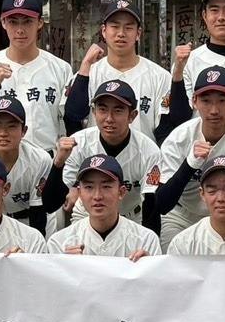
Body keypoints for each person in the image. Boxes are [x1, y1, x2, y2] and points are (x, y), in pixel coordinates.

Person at [154, 66, 225, 247]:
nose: (214, 110)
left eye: (222, 100)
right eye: (206, 101)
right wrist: (189, 164)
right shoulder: (179, 138)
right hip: (183, 216)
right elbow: (162, 204)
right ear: (194, 101)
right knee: (173, 259)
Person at [0, 0, 75, 153]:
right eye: (13, 22)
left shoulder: (60, 68)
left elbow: (71, 120)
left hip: (47, 157)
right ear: (3, 22)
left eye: (27, 21)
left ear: (39, 22)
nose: (20, 30)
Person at [58, 78, 163, 231]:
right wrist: (69, 180)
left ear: (132, 116)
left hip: (132, 215)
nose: (109, 118)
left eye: (118, 110)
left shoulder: (149, 150)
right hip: (87, 215)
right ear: (94, 112)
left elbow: (151, 203)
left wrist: (149, 239)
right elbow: (56, 197)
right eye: (103, 109)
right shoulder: (78, 142)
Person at [64, 0, 173, 142]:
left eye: (128, 27)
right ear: (104, 31)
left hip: (143, 154)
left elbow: (165, 130)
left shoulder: (159, 76)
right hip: (97, 155)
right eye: (115, 26)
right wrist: (85, 67)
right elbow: (72, 117)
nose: (121, 33)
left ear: (138, 33)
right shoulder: (88, 74)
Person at [0, 96, 70, 233]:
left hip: (30, 220)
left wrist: (35, 245)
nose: (3, 133)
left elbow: (38, 213)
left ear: (24, 130)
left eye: (11, 126)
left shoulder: (39, 159)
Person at [47, 155, 161, 259]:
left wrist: (147, 266)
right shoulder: (59, 243)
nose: (97, 196)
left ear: (121, 192)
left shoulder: (146, 240)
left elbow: (156, 275)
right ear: (80, 193)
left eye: (106, 186)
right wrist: (64, 266)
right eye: (89, 187)